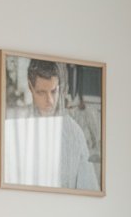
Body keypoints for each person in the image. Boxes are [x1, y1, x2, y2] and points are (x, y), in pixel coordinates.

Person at [5, 58, 100, 191]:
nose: (49, 100)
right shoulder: (16, 128)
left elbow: (90, 189)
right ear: (30, 87)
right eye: (41, 93)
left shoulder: (74, 133)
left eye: (53, 91)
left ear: (60, 88)